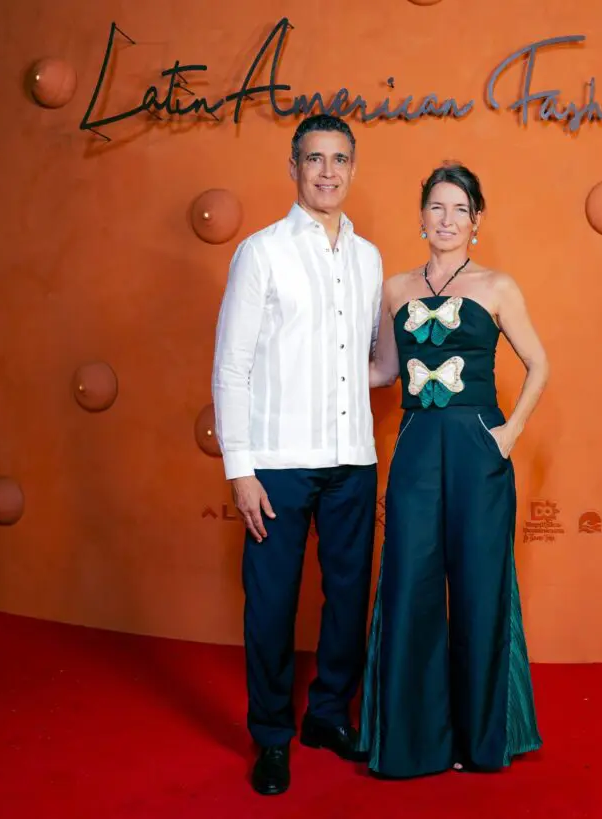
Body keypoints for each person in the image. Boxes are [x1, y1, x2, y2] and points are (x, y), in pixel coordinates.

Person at [356, 161, 549, 778]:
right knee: (408, 581)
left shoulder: (498, 286)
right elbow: (385, 371)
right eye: (436, 208)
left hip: (478, 448)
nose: (446, 219)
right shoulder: (394, 289)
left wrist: (509, 433)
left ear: (476, 221)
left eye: (459, 210)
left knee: (479, 586)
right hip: (416, 446)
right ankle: (411, 743)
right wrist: (317, 372)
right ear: (421, 218)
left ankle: (480, 739)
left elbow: (540, 364)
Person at [211, 113, 383, 796]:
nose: (327, 172)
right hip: (277, 462)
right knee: (271, 605)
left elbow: (367, 361)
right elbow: (231, 368)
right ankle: (273, 737)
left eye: (339, 159)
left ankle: (328, 715)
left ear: (352, 168)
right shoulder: (261, 252)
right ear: (293, 167)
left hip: (353, 458)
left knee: (348, 598)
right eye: (314, 159)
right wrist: (240, 469)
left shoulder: (369, 258)